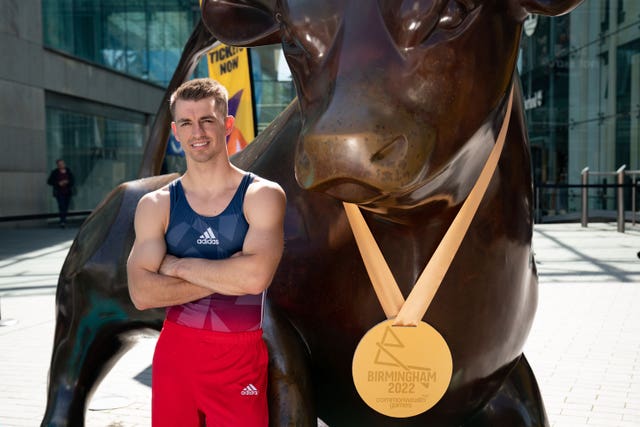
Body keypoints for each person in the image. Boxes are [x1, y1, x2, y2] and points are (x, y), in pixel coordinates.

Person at [126, 78, 286, 427]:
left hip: (239, 356)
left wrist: (175, 265)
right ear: (175, 131)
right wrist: (231, 275)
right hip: (175, 355)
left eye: (207, 120)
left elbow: (256, 277)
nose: (196, 131)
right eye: (186, 122)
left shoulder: (261, 195)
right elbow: (141, 293)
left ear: (227, 124)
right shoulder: (156, 204)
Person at [47, 159, 74, 227]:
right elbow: (49, 182)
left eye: (62, 163)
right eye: (59, 164)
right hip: (59, 192)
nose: (61, 165)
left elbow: (73, 181)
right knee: (61, 206)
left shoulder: (68, 171)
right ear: (57, 165)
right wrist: (58, 183)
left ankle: (63, 220)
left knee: (66, 206)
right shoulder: (55, 172)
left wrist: (67, 182)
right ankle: (62, 221)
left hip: (67, 192)